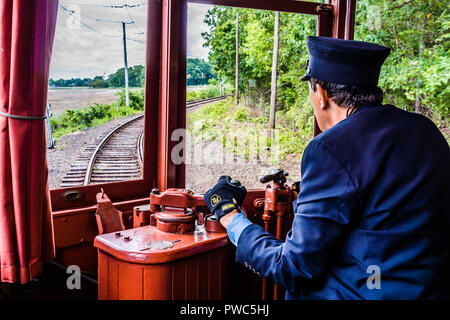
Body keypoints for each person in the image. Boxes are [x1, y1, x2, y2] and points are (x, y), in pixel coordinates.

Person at [204, 36, 450, 300]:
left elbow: (291, 268)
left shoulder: (330, 149)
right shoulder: (425, 130)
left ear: (320, 94)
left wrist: (229, 215)